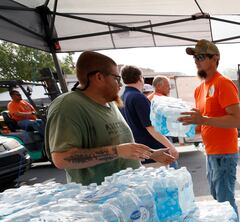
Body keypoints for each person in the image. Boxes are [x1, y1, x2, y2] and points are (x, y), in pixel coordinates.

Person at [45, 51, 174, 185]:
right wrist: (116, 151)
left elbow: (123, 146)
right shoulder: (68, 106)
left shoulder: (110, 103)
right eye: (116, 78)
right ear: (99, 77)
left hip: (130, 191)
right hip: (100, 197)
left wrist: (152, 154)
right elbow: (61, 158)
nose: (120, 85)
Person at [178, 39, 240, 217]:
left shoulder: (223, 83)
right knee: (217, 197)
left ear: (215, 58)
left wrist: (204, 120)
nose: (196, 60)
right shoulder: (199, 89)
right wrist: (187, 125)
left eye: (200, 56)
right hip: (211, 152)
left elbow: (238, 121)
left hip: (225, 153)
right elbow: (203, 121)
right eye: (194, 57)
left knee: (224, 202)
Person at [120, 65, 179, 166]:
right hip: (154, 152)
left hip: (141, 153)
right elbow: (151, 127)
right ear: (140, 78)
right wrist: (171, 147)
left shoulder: (123, 97)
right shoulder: (138, 97)